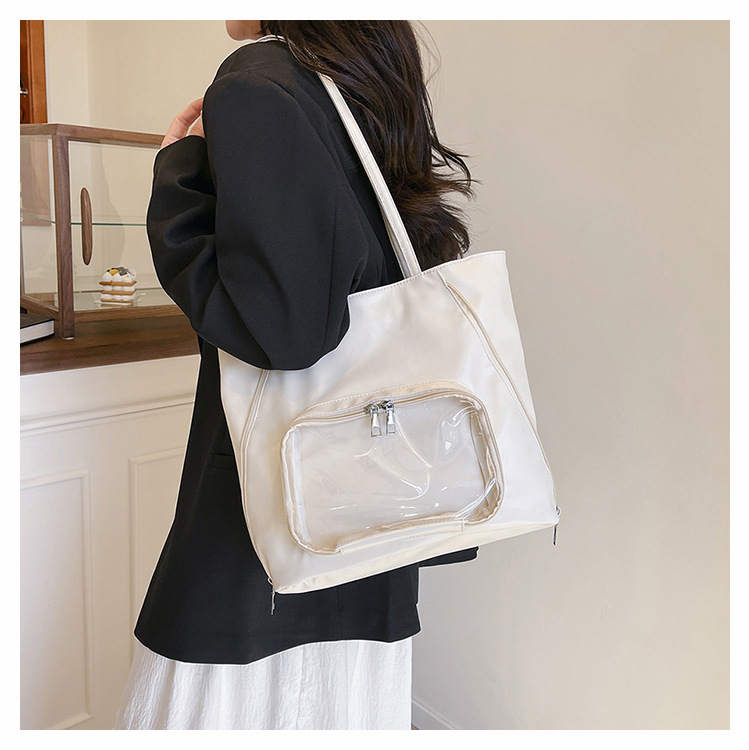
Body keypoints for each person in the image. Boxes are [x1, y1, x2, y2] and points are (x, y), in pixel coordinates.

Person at [114, 20, 477, 730]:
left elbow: (281, 332)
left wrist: (177, 177)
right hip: (375, 499)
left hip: (268, 513)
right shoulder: (367, 80)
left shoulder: (257, 81)